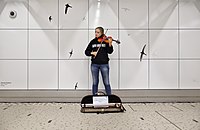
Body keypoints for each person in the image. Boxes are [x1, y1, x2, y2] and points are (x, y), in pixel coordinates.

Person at [85, 27, 113, 95]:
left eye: (98, 32)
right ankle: (94, 98)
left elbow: (110, 51)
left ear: (102, 33)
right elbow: (86, 52)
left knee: (106, 82)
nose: (96, 34)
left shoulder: (105, 41)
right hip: (94, 65)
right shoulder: (92, 42)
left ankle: (109, 98)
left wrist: (110, 44)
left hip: (104, 64)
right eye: (95, 32)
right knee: (95, 82)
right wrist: (92, 53)